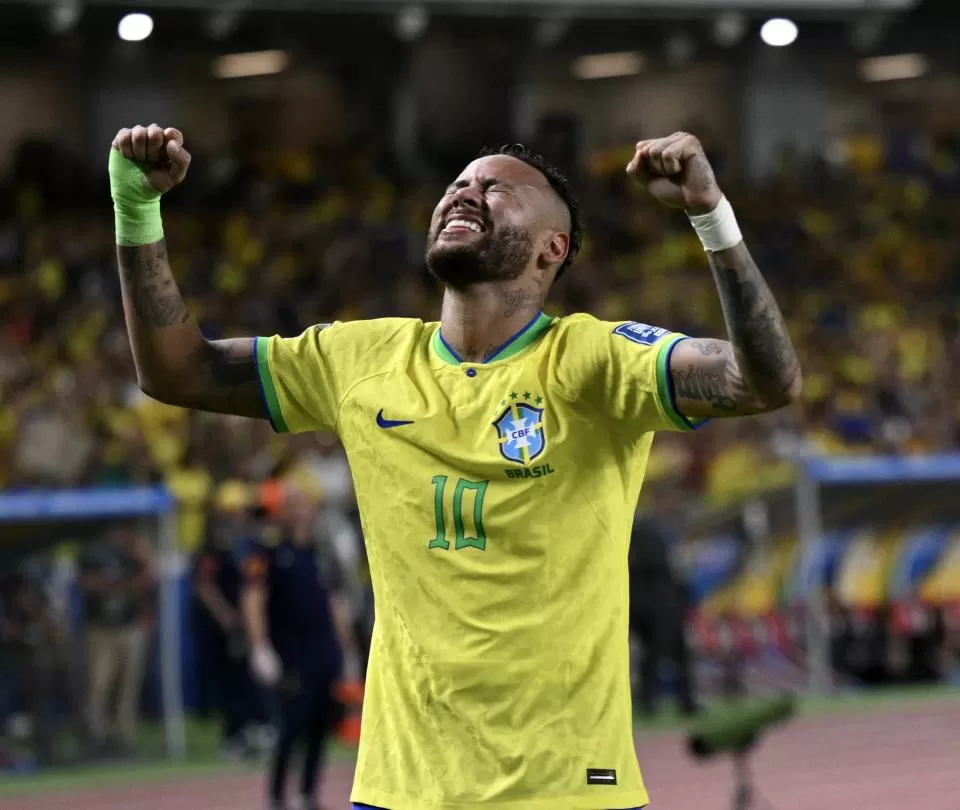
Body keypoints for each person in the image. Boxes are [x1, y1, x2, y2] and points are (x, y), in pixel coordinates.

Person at [109, 125, 801, 809]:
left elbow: (762, 381)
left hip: (563, 788)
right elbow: (176, 371)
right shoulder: (358, 360)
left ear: (551, 248)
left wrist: (711, 216)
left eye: (498, 189)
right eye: (459, 183)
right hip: (401, 788)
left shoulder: (594, 361)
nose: (466, 193)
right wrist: (136, 208)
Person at [242, 479, 357, 810]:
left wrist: (347, 648)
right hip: (290, 651)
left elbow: (335, 601)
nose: (298, 510)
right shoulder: (270, 550)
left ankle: (308, 794)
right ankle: (277, 797)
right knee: (291, 725)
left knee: (321, 724)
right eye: (291, 503)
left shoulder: (321, 550)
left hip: (323, 649)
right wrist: (260, 647)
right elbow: (253, 598)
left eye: (302, 502)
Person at [192, 480, 268, 759]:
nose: (240, 516)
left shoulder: (252, 542)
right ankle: (234, 735)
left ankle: (257, 727)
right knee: (228, 681)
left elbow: (258, 579)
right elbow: (204, 584)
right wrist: (225, 615)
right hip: (224, 627)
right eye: (236, 511)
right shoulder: (215, 546)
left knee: (251, 677)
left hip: (248, 622)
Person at [78, 522, 155, 758]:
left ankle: (124, 738)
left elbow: (148, 580)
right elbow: (88, 583)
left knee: (128, 686)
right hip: (100, 629)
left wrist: (143, 557)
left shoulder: (133, 555)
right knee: (99, 685)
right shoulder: (92, 553)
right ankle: (97, 739)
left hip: (128, 627)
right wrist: (120, 584)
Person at [628, 508, 698, 718]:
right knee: (669, 654)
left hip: (641, 604)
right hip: (663, 607)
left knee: (652, 656)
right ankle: (682, 701)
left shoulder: (635, 539)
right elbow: (678, 574)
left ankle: (651, 700)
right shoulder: (660, 538)